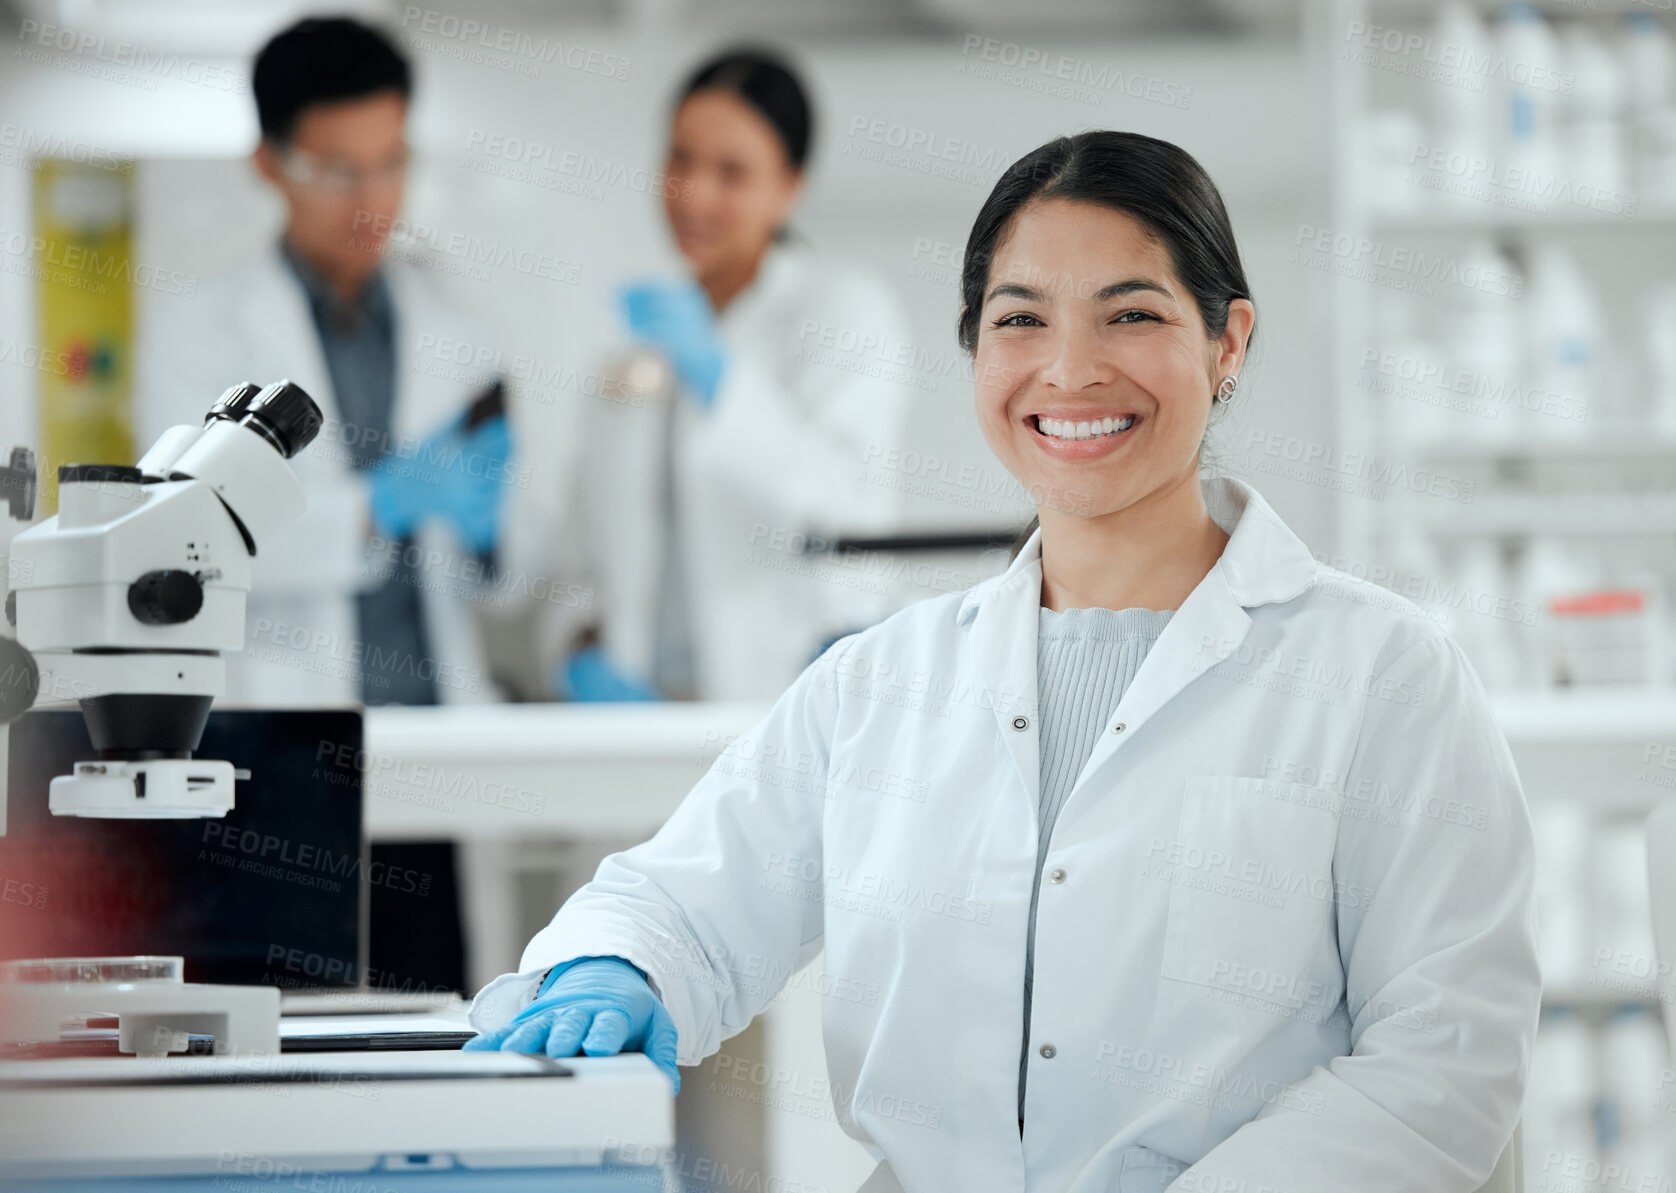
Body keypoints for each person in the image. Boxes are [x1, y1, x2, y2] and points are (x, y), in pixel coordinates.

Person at [466, 132, 1540, 1193]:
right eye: (1019, 319)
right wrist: (620, 963)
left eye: (1130, 313)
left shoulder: (1382, 675)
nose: (1069, 369)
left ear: (1227, 343)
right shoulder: (879, 683)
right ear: (975, 348)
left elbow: (1443, 1054)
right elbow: (684, 901)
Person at [136, 16, 512, 709]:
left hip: (441, 725)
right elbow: (178, 543)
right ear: (270, 163)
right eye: (340, 171)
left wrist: (496, 530)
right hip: (287, 719)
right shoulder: (199, 330)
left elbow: (511, 573)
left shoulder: (456, 323)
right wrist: (374, 509)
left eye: (391, 163)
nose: (373, 200)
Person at [522, 48, 913, 703]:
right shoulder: (633, 340)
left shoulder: (842, 312)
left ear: (789, 186)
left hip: (782, 702)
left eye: (731, 171)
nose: (695, 193)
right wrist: (576, 650)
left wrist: (723, 382)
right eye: (680, 159)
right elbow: (581, 556)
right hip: (640, 717)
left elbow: (843, 503)